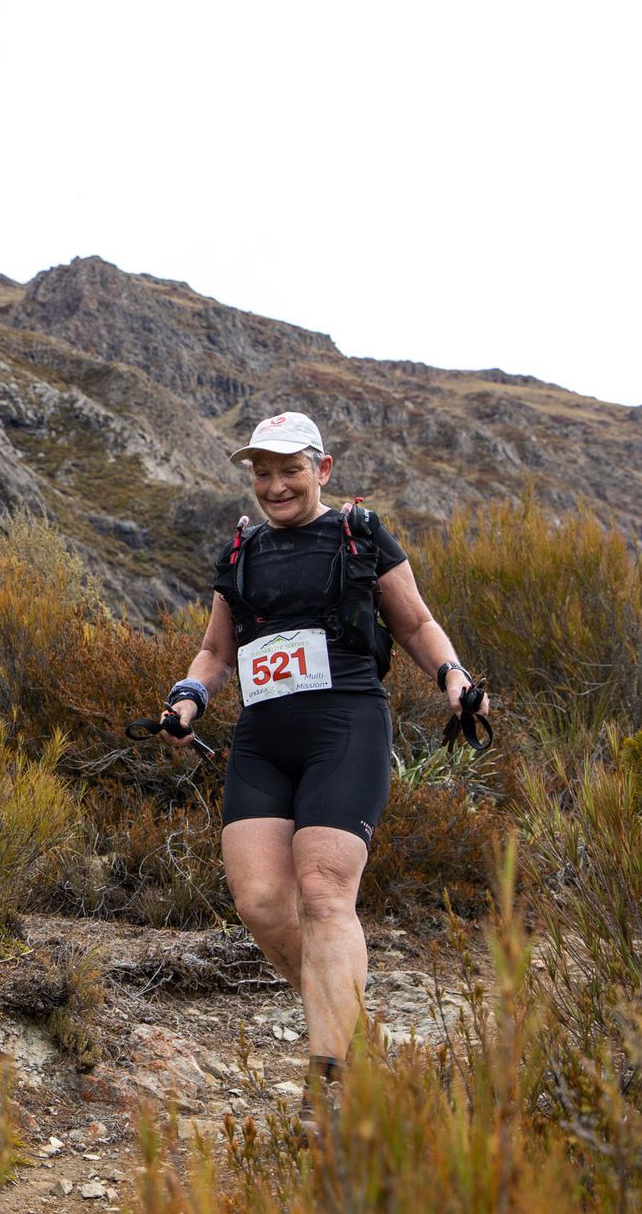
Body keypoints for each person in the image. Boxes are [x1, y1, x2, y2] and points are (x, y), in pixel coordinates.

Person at [158, 411, 485, 1112]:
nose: (275, 486)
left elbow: (417, 623)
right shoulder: (241, 551)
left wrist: (454, 680)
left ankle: (330, 1080)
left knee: (324, 892)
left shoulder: (359, 535)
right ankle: (355, 1035)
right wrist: (187, 698)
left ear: (322, 470)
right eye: (262, 473)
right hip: (263, 738)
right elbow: (216, 653)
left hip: (346, 727)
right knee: (261, 901)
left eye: (290, 471)